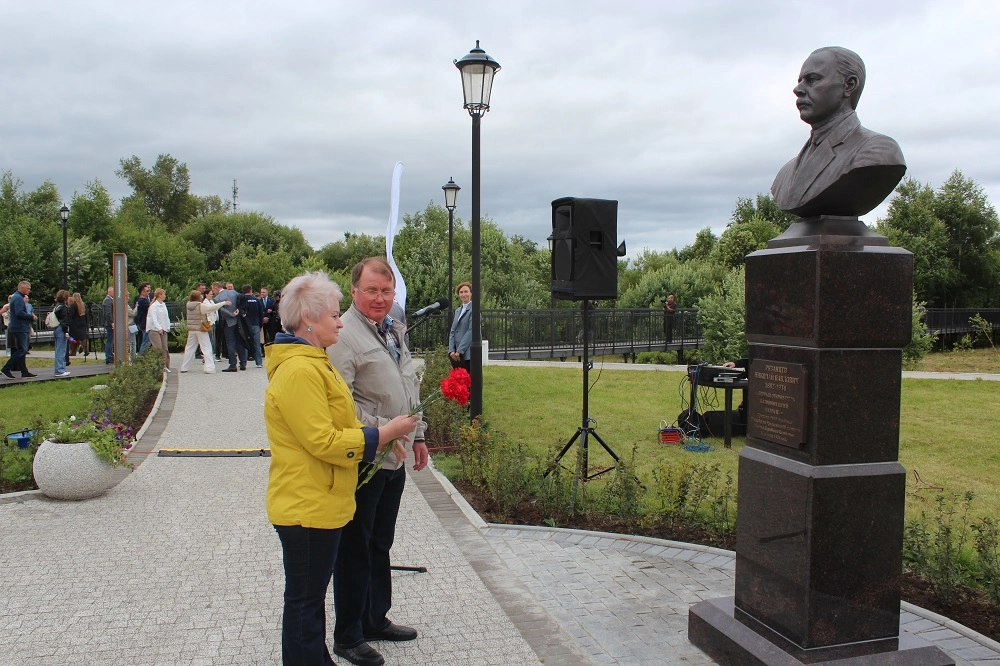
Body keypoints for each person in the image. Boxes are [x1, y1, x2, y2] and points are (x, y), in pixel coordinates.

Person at [265, 271, 417, 666]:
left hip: (322, 499)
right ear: (309, 320)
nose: (339, 321)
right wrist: (382, 434)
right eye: (334, 314)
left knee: (309, 598)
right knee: (305, 600)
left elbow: (341, 418)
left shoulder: (314, 361)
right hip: (307, 503)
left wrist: (401, 433)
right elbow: (325, 441)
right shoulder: (301, 370)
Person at [328, 257, 428, 666]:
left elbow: (407, 385)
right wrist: (384, 431)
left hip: (396, 458)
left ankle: (375, 619)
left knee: (379, 543)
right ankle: (348, 634)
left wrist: (418, 435)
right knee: (355, 546)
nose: (379, 298)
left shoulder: (392, 329)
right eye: (371, 290)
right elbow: (339, 404)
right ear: (353, 291)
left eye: (386, 291)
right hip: (365, 459)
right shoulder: (343, 335)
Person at [771, 47, 906, 219]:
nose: (798, 89)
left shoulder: (878, 152)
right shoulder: (786, 173)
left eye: (812, 80)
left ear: (849, 85)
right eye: (800, 80)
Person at [180, 290, 228, 373]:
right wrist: (223, 303)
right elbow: (212, 308)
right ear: (198, 297)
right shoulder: (200, 306)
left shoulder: (188, 305)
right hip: (201, 328)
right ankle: (209, 368)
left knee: (189, 348)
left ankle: (184, 367)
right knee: (206, 347)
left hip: (192, 329)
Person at [2, 281, 38, 379]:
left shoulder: (17, 297)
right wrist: (31, 317)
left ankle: (24, 371)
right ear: (22, 288)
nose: (29, 290)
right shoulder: (18, 298)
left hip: (19, 326)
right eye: (28, 288)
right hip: (20, 327)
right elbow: (19, 313)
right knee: (22, 349)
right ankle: (6, 367)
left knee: (22, 349)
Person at [213, 281, 245, 372]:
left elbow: (222, 310)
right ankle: (243, 362)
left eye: (213, 290)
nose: (213, 292)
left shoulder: (217, 298)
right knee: (239, 342)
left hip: (228, 322)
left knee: (230, 343)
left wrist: (231, 314)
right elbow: (242, 299)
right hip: (238, 321)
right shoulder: (233, 292)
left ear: (216, 288)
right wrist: (239, 310)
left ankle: (232, 364)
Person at [448, 281, 473, 372]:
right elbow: (453, 331)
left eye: (466, 291)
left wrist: (460, 350)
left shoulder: (474, 309)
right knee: (459, 382)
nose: (463, 294)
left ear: (470, 293)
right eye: (461, 292)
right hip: (456, 354)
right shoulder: (458, 310)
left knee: (469, 381)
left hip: (468, 353)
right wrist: (451, 350)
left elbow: (471, 331)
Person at [146, 288, 172, 372]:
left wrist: (167, 327)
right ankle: (159, 366)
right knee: (158, 348)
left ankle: (165, 365)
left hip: (163, 329)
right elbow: (154, 318)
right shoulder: (153, 306)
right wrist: (159, 328)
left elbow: (166, 317)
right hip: (154, 329)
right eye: (163, 294)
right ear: (159, 295)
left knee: (165, 348)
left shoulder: (163, 305)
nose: (165, 296)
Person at [239, 284, 263, 368]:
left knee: (245, 342)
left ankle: (243, 362)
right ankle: (259, 362)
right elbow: (261, 313)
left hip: (245, 325)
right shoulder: (257, 300)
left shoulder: (242, 300)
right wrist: (260, 324)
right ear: (250, 290)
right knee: (257, 343)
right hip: (255, 324)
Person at [52, 290, 72, 377]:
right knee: (61, 350)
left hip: (57, 328)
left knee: (58, 349)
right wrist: (66, 332)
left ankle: (60, 369)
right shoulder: (63, 307)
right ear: (65, 298)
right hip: (61, 329)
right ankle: (60, 370)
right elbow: (64, 321)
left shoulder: (57, 306)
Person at [68, 292, 89, 360]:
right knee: (83, 337)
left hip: (74, 324)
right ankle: (86, 349)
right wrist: (87, 324)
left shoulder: (73, 305)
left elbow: (71, 315)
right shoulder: (84, 305)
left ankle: (73, 351)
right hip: (82, 323)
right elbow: (87, 316)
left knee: (72, 338)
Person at [134, 283, 152, 353]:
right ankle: (141, 356)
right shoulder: (142, 301)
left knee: (147, 341)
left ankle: (144, 356)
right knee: (145, 341)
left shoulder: (144, 300)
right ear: (142, 292)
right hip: (144, 323)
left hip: (145, 323)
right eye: (147, 291)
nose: (149, 293)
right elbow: (150, 307)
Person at [102, 287, 115, 364]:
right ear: (109, 292)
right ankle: (108, 357)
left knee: (111, 340)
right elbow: (108, 312)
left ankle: (110, 355)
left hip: (110, 323)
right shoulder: (108, 300)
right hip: (109, 323)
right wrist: (112, 322)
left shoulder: (110, 300)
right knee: (110, 340)